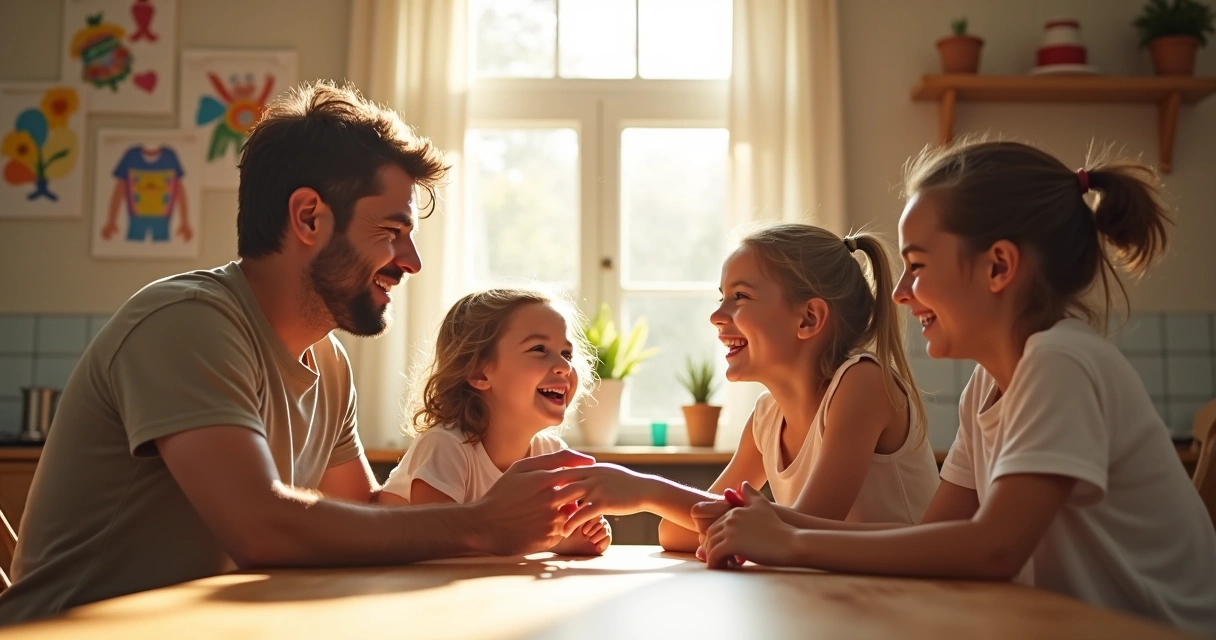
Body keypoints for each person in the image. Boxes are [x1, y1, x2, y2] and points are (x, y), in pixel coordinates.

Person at [0, 80, 596, 627]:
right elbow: (262, 527)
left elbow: (370, 521)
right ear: (309, 216)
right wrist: (485, 524)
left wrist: (521, 528)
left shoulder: (328, 363)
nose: (411, 261)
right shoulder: (187, 321)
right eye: (391, 231)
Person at [693, 140, 1216, 635]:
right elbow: (928, 539)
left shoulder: (1061, 362)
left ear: (998, 267)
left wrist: (791, 540)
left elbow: (992, 550)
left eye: (916, 266)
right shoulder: (987, 385)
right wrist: (776, 524)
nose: (898, 294)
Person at [656, 223, 939, 554]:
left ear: (808, 318)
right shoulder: (767, 417)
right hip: (844, 598)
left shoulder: (864, 384)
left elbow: (793, 529)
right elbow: (675, 533)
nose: (717, 316)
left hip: (916, 601)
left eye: (740, 296)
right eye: (723, 297)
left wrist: (647, 491)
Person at [380, 288, 612, 555]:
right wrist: (547, 541)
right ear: (479, 371)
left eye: (567, 354)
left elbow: (552, 533)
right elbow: (437, 546)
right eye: (539, 349)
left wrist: (578, 535)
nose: (563, 366)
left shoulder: (551, 453)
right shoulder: (445, 445)